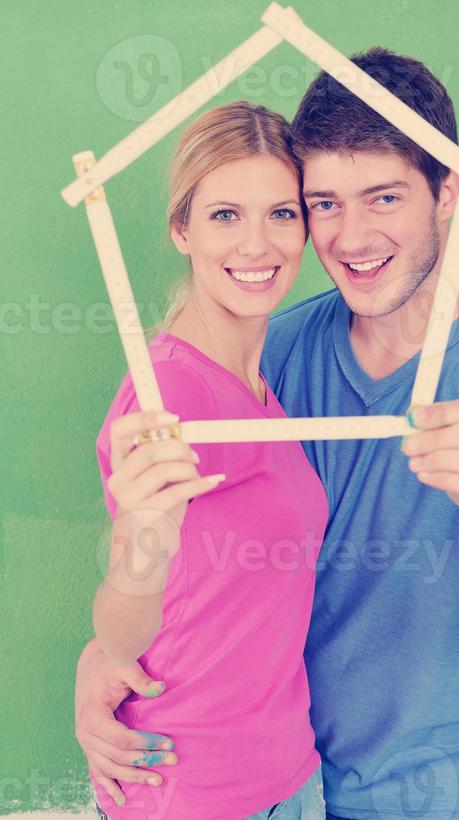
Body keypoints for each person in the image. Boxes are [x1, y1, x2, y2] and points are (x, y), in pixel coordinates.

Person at [76, 49, 459, 820]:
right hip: (309, 793)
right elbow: (189, 569)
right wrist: (106, 658)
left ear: (448, 192)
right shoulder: (269, 353)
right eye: (322, 203)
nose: (350, 237)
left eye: (383, 197)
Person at [87, 100, 328, 819]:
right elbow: (124, 633)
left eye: (281, 214)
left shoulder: (262, 383)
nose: (258, 244)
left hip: (292, 778)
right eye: (226, 215)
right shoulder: (169, 393)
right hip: (190, 792)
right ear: (180, 228)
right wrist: (142, 545)